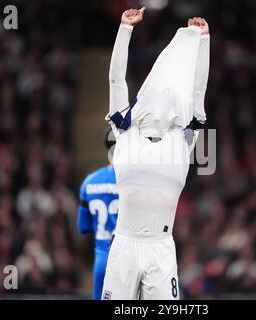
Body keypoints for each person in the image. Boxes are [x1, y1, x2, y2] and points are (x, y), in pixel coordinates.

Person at [101, 8, 210, 300]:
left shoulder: (182, 140)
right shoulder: (126, 133)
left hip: (161, 247)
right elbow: (116, 81)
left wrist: (203, 42)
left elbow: (197, 93)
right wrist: (125, 29)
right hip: (124, 245)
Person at [77, 128, 118, 300]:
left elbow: (83, 227)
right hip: (127, 261)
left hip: (101, 259)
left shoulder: (89, 182)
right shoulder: (135, 183)